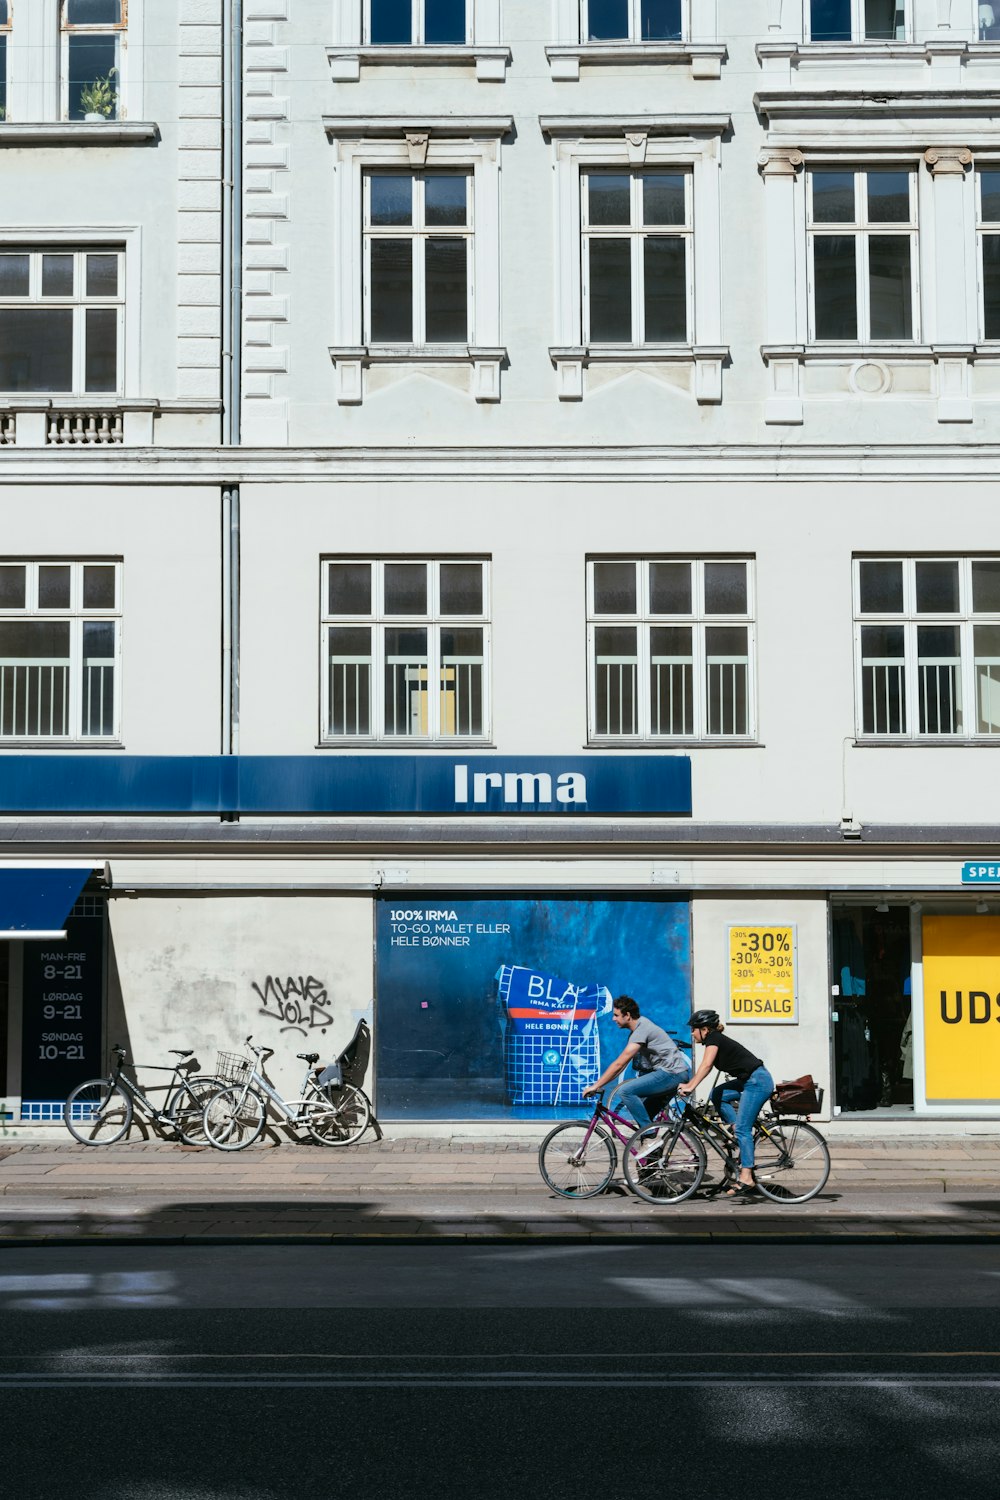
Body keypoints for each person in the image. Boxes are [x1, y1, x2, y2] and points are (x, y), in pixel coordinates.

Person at [679, 1009, 774, 1199]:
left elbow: (705, 1066)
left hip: (758, 1082)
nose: (692, 1033)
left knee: (743, 1130)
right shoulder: (713, 1039)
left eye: (694, 1029)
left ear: (704, 1029)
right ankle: (735, 1129)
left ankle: (747, 1176)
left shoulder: (714, 1038)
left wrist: (690, 1085)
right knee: (718, 1094)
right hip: (750, 1079)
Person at [581, 995, 690, 1130]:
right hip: (673, 1074)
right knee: (646, 1117)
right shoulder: (640, 1028)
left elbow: (619, 1064)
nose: (613, 1019)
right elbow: (622, 1065)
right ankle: (652, 1148)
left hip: (671, 1074)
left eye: (616, 1015)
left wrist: (595, 1086)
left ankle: (649, 1138)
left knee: (626, 1091)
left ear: (627, 1015)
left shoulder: (641, 1029)